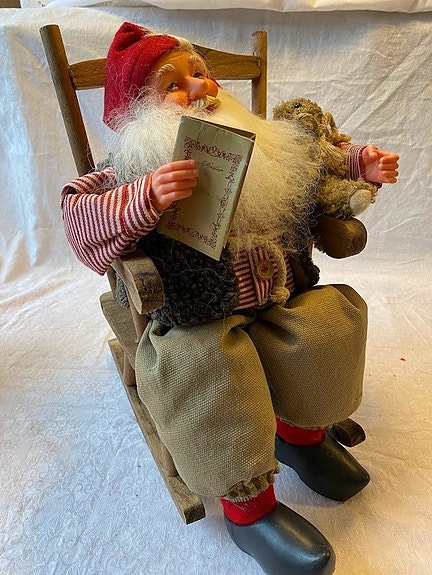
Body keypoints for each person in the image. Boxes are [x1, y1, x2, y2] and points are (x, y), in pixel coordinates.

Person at [61, 22, 399, 575]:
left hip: (279, 295)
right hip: (198, 317)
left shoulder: (259, 144)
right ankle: (250, 509)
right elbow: (78, 217)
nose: (200, 87)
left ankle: (300, 434)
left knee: (328, 326)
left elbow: (319, 163)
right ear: (136, 111)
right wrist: (146, 197)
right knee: (210, 376)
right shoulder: (130, 169)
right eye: (173, 84)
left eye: (201, 73)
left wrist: (361, 164)